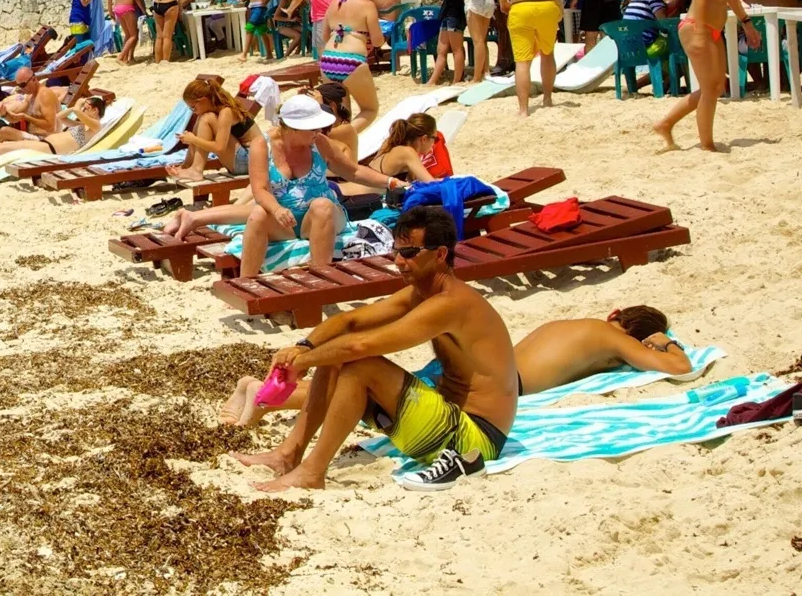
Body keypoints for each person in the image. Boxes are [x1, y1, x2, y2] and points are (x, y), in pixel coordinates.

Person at [237, 205, 517, 491]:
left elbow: (362, 344)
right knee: (333, 357)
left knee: (360, 365)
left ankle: (311, 473)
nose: (399, 261)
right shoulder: (421, 293)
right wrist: (303, 347)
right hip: (447, 421)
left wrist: (302, 363)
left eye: (409, 253)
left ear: (441, 254)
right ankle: (288, 454)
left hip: (473, 440)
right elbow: (350, 321)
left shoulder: (451, 303)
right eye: (396, 251)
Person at [226, 305, 686, 428]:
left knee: (375, 391)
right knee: (374, 393)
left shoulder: (575, 323)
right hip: (499, 384)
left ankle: (265, 397)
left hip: (476, 365)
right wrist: (661, 340)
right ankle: (268, 403)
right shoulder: (615, 338)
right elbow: (677, 367)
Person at [172, 93, 405, 276]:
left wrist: (391, 182)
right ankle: (245, 284)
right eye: (313, 128)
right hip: (284, 220)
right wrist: (276, 209)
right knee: (257, 214)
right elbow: (260, 190)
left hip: (321, 218)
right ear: (292, 128)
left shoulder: (320, 143)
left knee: (322, 204)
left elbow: (353, 171)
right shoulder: (262, 145)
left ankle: (320, 276)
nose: (318, 131)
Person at [655, 0, 761, 152]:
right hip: (696, 26)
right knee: (711, 89)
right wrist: (701, 33)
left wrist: (746, 23)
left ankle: (666, 123)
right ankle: (707, 145)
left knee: (715, 86)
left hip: (713, 27)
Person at [0, 94, 106, 174]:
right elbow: (60, 117)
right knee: (2, 145)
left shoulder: (95, 126)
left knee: (4, 146)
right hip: (45, 144)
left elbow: (80, 114)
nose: (83, 110)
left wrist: (78, 106)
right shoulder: (80, 125)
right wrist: (74, 107)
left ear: (96, 110)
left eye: (87, 108)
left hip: (49, 149)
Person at [317, 0, 386, 132]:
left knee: (341, 114)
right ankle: (342, 136)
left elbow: (324, 36)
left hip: (328, 59)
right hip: (352, 61)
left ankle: (340, 143)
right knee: (370, 110)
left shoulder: (334, 3)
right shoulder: (367, 5)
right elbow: (377, 41)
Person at [164, 76, 264, 183]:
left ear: (203, 100)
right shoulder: (218, 111)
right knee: (203, 118)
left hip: (251, 161)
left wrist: (193, 139)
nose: (193, 111)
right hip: (246, 160)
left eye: (193, 107)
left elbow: (219, 148)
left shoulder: (226, 112)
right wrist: (184, 164)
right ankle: (188, 167)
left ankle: (196, 170)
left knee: (206, 118)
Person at [426, 0, 468, 86]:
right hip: (446, 14)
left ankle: (457, 80)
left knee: (457, 49)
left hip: (456, 15)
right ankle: (432, 80)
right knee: (441, 51)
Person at [370, 113, 440, 182]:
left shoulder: (393, 142)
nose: (434, 144)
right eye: (435, 139)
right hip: (367, 192)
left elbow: (415, 180)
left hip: (362, 188)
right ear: (424, 139)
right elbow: (430, 183)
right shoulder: (408, 152)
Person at [111, 0, 145, 65]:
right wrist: (144, 11)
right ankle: (121, 56)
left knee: (127, 34)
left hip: (117, 8)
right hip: (127, 8)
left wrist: (110, 9)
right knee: (134, 35)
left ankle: (126, 58)